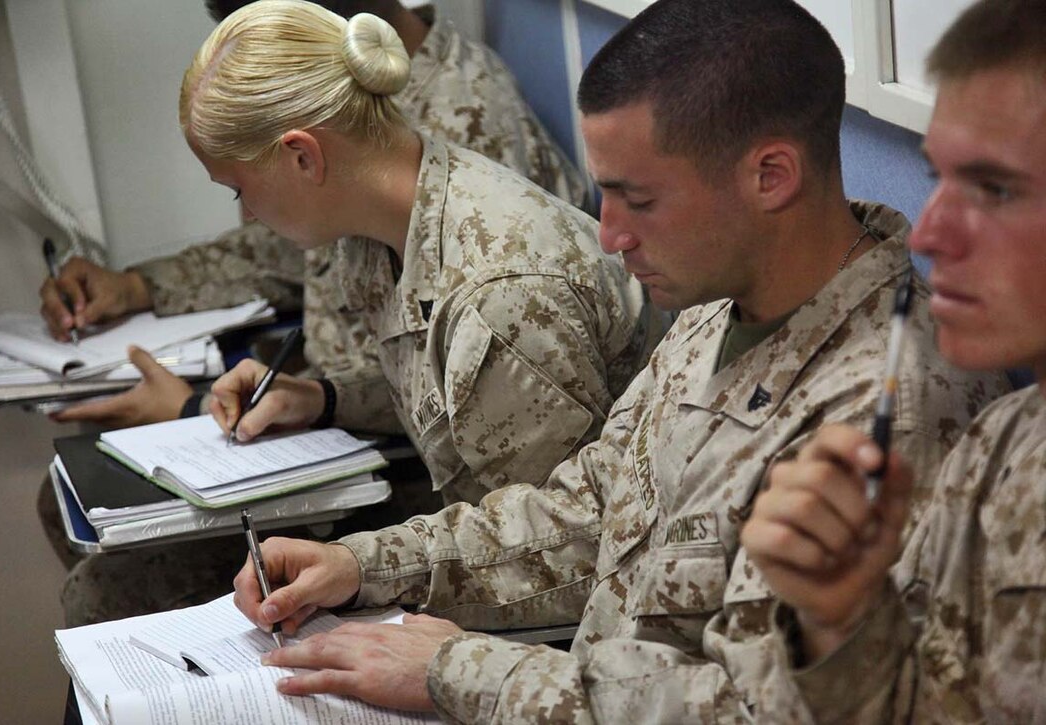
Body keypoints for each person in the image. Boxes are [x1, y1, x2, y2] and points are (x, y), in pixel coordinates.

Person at [224, 0, 1012, 718]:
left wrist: (456, 668)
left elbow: (758, 708)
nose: (609, 234)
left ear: (770, 176)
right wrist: (364, 563)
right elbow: (591, 503)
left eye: (639, 198)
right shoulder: (716, 303)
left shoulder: (889, 409)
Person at [58, 0, 661, 627]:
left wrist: (361, 571)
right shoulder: (390, 211)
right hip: (474, 540)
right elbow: (449, 394)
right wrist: (324, 398)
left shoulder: (497, 292)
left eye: (240, 190)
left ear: (302, 157)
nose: (251, 213)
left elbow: (557, 546)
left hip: (551, 588)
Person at [740, 0, 1046, 720]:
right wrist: (839, 621)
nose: (929, 231)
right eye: (937, 177)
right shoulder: (996, 448)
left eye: (995, 188)